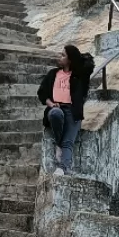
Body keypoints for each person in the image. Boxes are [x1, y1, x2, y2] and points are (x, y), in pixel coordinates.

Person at [37, 43, 94, 174]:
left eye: (63, 55)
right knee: (55, 114)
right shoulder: (53, 73)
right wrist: (51, 104)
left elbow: (89, 64)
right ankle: (58, 143)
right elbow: (42, 93)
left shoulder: (79, 77)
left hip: (73, 112)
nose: (59, 57)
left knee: (68, 143)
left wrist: (77, 57)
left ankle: (63, 168)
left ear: (70, 60)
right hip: (56, 107)